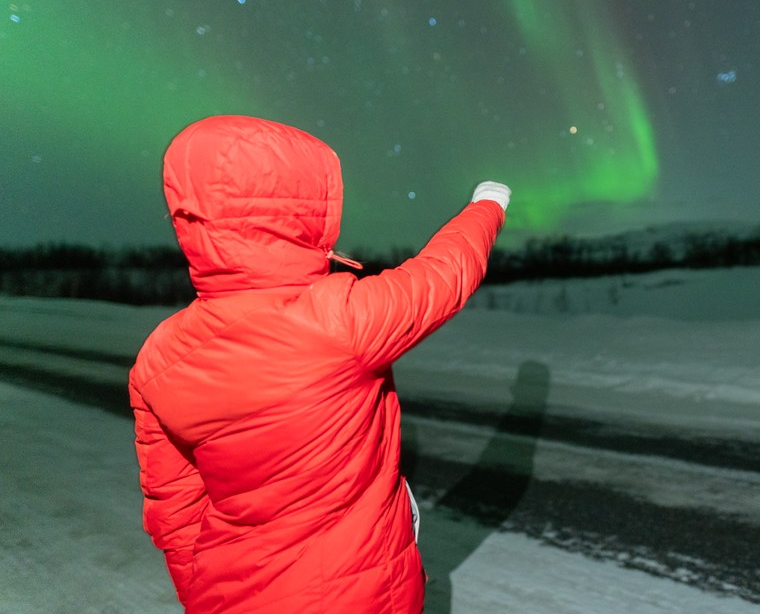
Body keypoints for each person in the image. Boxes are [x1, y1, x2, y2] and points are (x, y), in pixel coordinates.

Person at [129, 114, 509, 613]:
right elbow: (446, 272)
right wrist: (487, 206)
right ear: (307, 206)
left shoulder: (158, 357)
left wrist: (201, 596)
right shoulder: (340, 319)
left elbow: (174, 509)